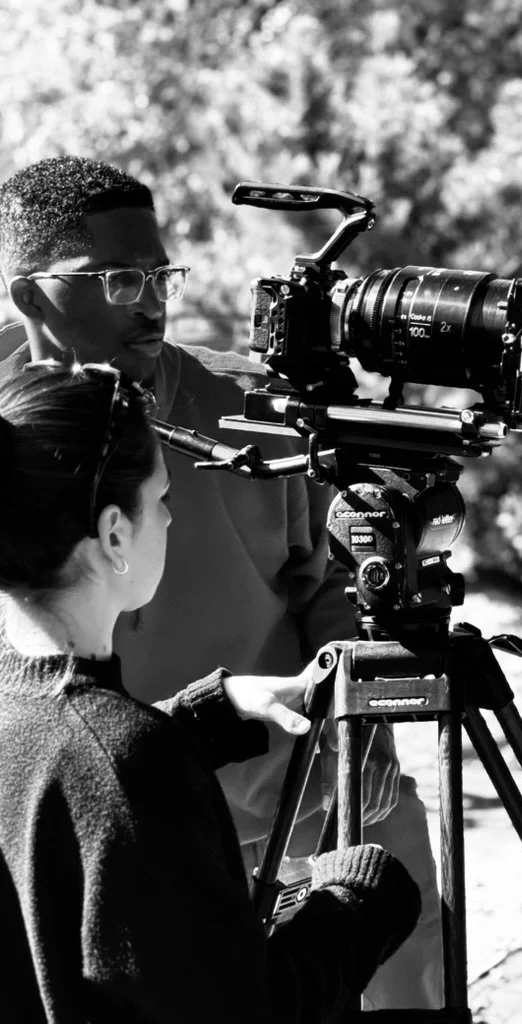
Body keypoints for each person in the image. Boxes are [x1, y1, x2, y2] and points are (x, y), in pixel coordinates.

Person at [0, 156, 443, 1010]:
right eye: (119, 278)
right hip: (88, 831)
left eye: (160, 272)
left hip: (303, 789)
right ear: (30, 298)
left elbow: (342, 585)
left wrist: (363, 736)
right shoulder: (2, 431)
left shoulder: (259, 410)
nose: (153, 299)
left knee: (408, 940)